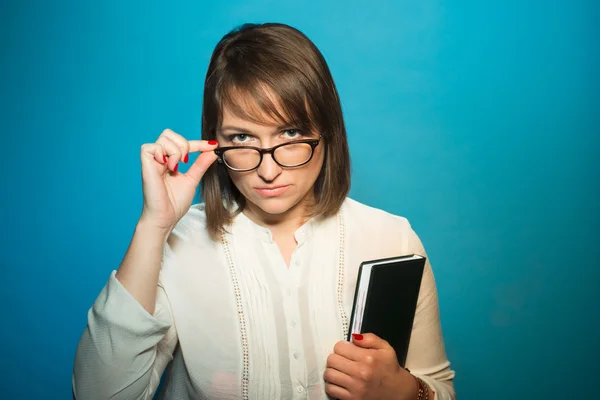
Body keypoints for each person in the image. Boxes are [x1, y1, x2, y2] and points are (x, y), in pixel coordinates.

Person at [73, 22, 455, 400]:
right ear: (213, 142)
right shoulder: (178, 244)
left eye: (289, 134)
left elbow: (439, 388)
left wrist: (407, 392)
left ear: (328, 131)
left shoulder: (391, 237)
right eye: (241, 137)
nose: (268, 171)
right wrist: (153, 228)